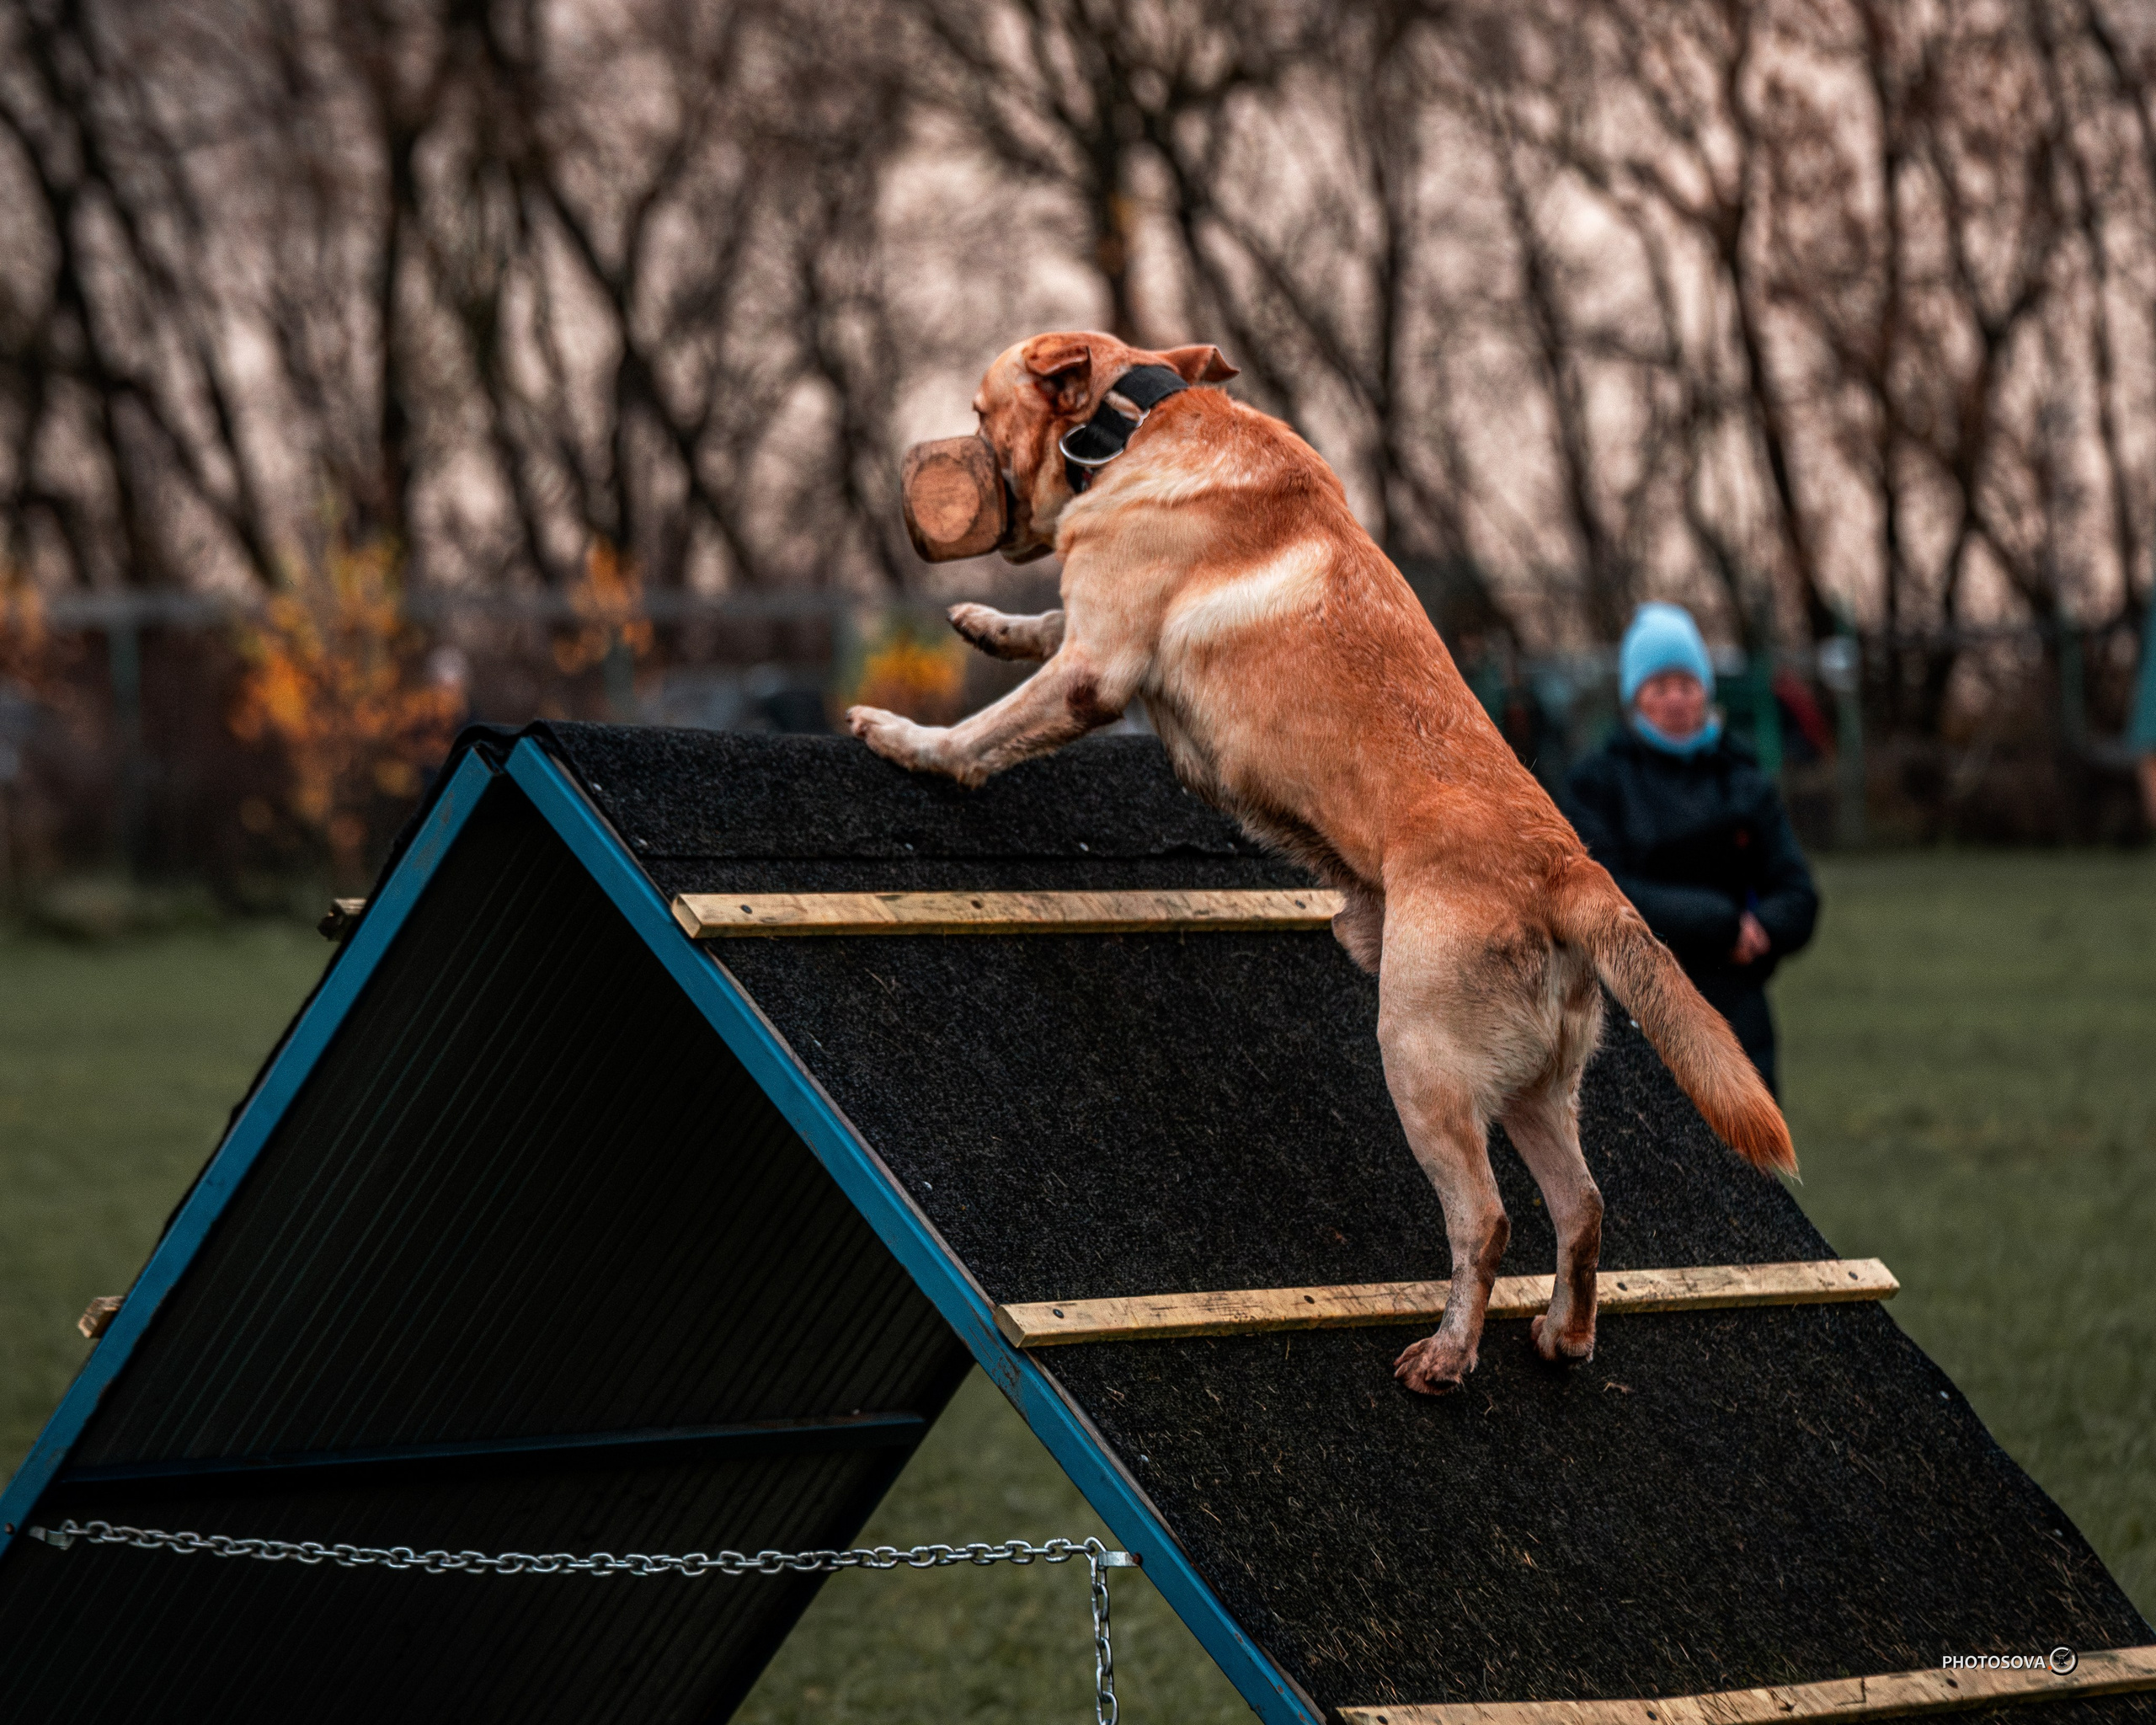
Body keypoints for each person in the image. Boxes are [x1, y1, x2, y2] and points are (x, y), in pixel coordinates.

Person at [1564, 602, 1819, 1096]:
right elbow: (1601, 890)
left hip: (1739, 1014)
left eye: (1687, 684)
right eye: (1660, 687)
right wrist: (1720, 924)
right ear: (1636, 698)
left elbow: (1798, 893)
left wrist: (1762, 930)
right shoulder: (1597, 784)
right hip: (1635, 1015)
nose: (1676, 699)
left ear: (1706, 689)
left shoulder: (1744, 780)